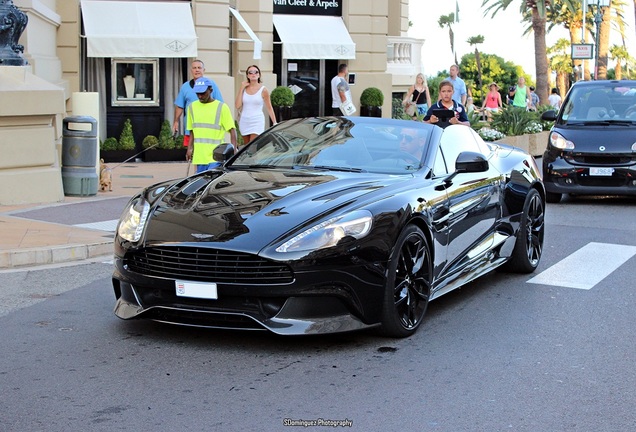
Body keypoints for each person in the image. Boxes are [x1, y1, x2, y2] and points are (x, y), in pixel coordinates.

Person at [186, 77, 237, 173]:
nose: (200, 96)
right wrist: (189, 148)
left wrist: (233, 151)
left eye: (203, 93)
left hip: (216, 157)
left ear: (211, 90)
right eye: (198, 93)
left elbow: (232, 131)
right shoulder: (192, 107)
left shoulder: (222, 107)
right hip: (200, 156)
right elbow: (192, 131)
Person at [173, 60, 224, 147]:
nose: (197, 70)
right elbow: (180, 106)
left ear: (204, 70)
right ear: (191, 70)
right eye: (194, 68)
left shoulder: (211, 85)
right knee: (191, 153)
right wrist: (176, 122)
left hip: (208, 127)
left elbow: (220, 104)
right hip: (191, 127)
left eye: (199, 68)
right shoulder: (185, 86)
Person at [235, 65, 277, 145]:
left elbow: (269, 108)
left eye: (256, 72)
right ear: (247, 75)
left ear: (259, 75)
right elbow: (237, 105)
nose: (253, 74)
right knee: (246, 148)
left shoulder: (263, 90)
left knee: (253, 146)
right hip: (245, 120)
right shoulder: (244, 89)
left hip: (257, 121)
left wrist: (274, 122)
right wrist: (241, 87)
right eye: (250, 72)